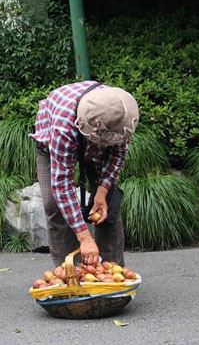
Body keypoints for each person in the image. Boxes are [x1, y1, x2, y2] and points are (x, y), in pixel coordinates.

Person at [30, 80, 139, 268]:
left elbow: (117, 154)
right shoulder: (63, 127)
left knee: (109, 205)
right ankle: (72, 272)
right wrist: (84, 237)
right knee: (54, 204)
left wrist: (102, 193)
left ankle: (112, 271)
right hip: (52, 142)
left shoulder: (119, 114)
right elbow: (62, 186)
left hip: (96, 129)